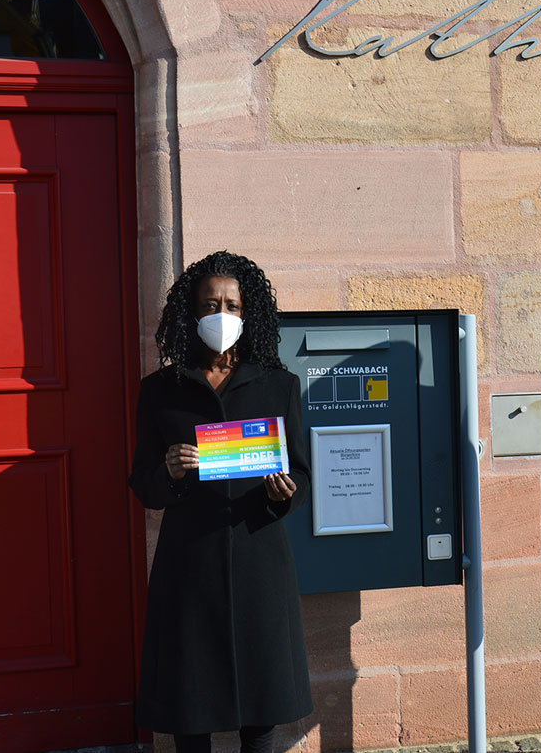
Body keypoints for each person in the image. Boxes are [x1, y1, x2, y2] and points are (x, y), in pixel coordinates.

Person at [129, 251, 313, 753]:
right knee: (191, 711)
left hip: (259, 561)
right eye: (211, 304)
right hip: (189, 563)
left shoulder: (280, 386)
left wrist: (286, 494)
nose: (222, 315)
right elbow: (142, 483)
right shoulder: (160, 392)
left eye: (232, 305)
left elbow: (301, 473)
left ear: (247, 313)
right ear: (192, 313)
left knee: (262, 714)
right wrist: (168, 473)